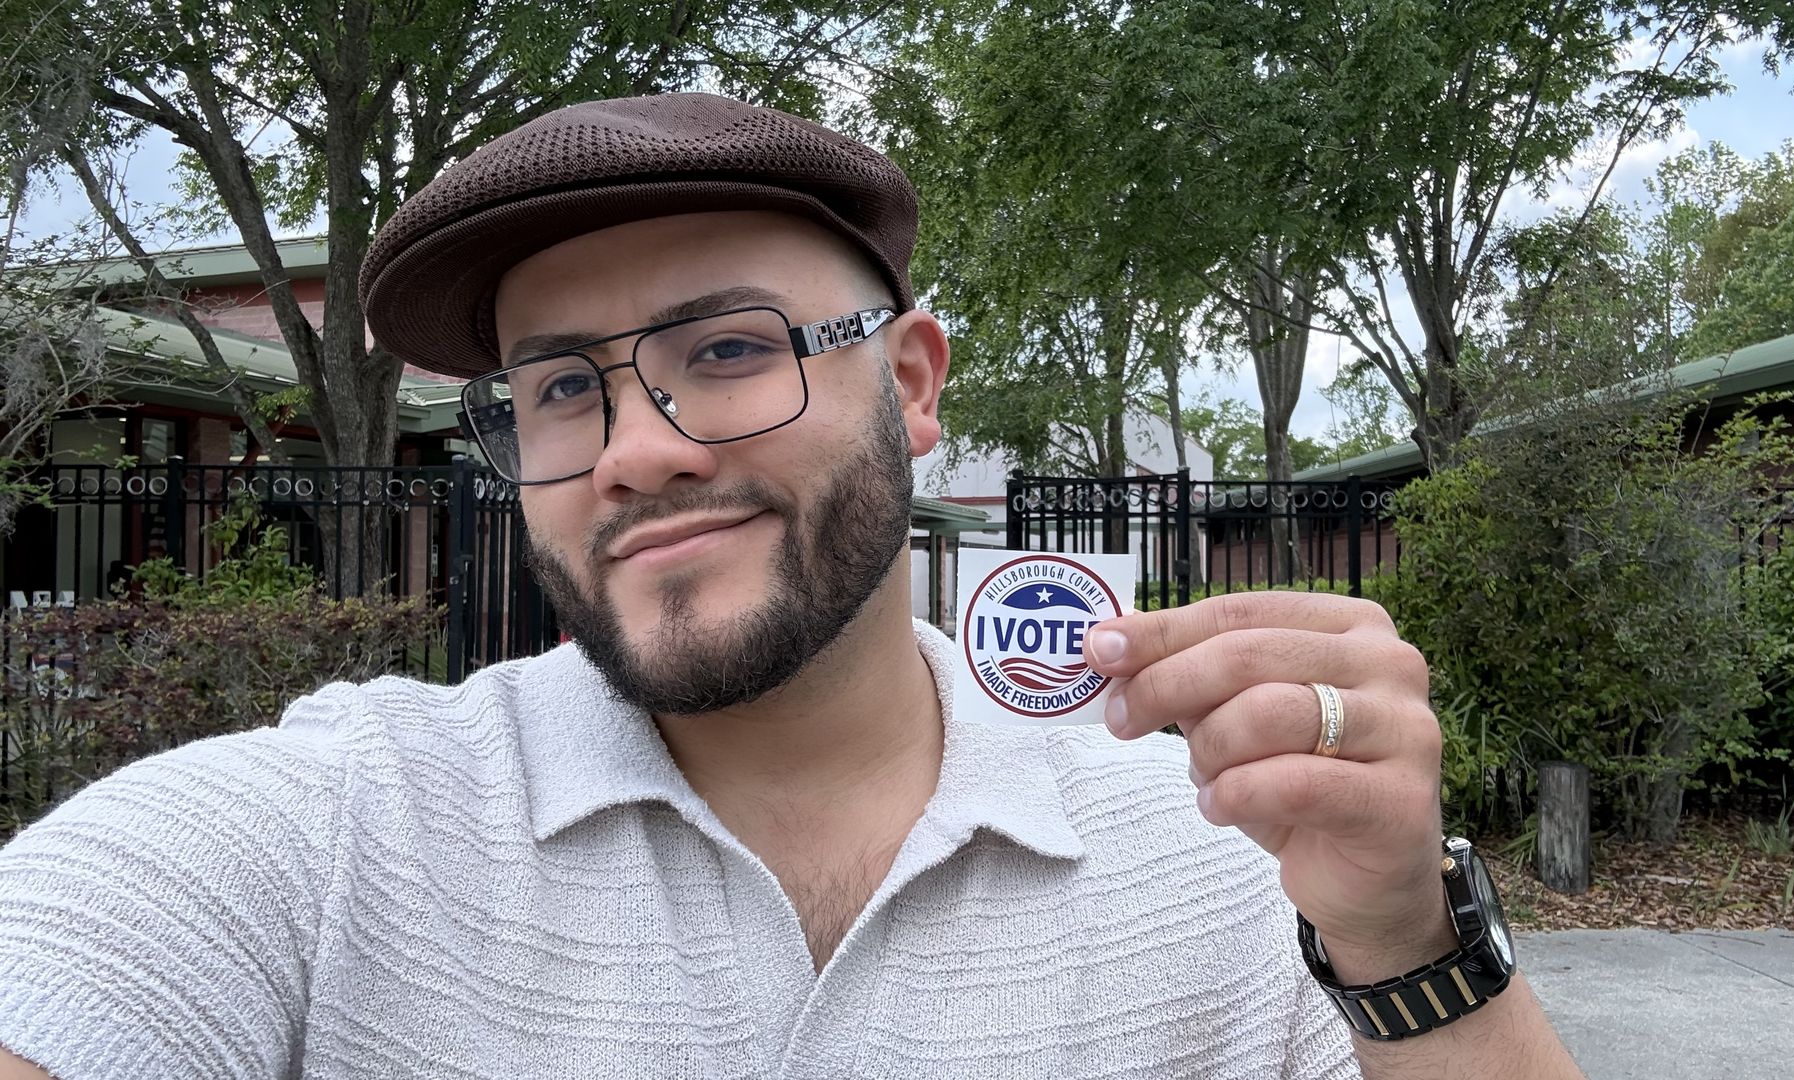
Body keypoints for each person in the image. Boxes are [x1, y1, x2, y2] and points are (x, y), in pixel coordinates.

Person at [0, 94, 1583, 1079]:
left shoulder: (1227, 850)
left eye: (728, 351)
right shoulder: (337, 825)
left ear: (910, 384)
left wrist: (1400, 937)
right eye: (559, 389)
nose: (633, 450)